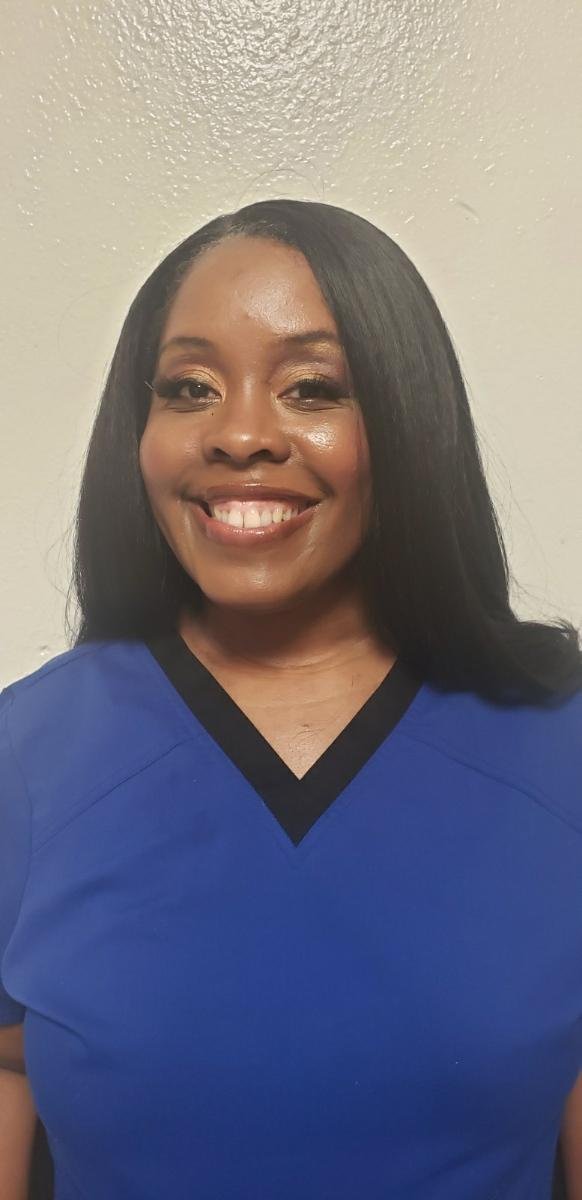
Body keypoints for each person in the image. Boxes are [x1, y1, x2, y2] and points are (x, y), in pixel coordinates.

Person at [1, 199, 581, 1200]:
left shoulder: (558, 744)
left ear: (404, 422)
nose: (239, 433)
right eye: (188, 386)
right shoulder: (26, 753)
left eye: (312, 387)